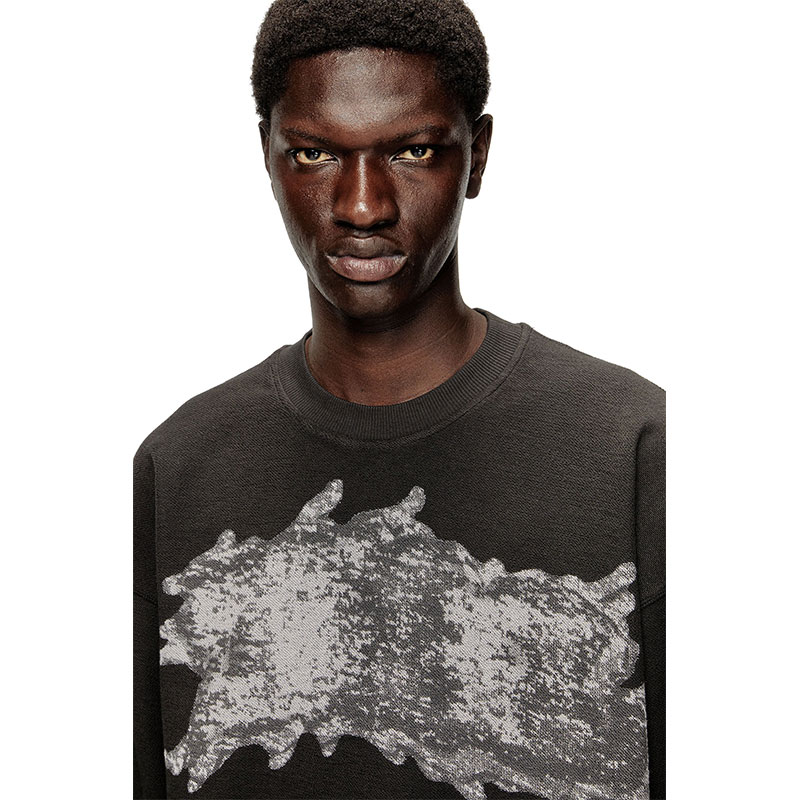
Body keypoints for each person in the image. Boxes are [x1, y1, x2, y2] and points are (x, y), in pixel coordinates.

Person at [133, 1, 666, 798]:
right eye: (315, 153)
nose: (363, 207)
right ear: (267, 155)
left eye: (413, 151)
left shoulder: (636, 451)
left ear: (477, 157)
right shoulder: (177, 472)